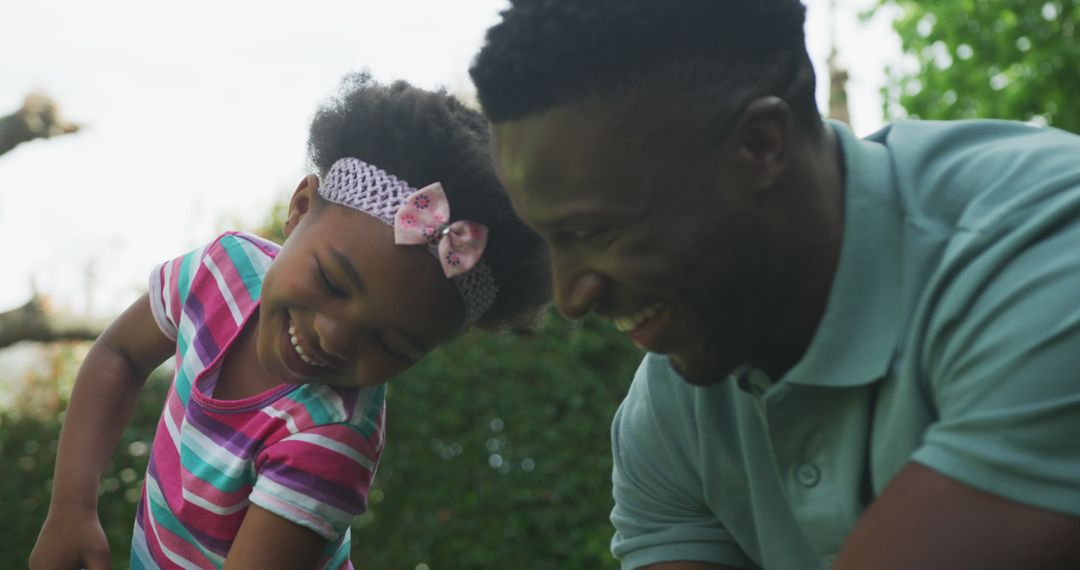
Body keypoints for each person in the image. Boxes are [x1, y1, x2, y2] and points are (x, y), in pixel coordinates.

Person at [470, 1, 1080, 569]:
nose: (571, 298)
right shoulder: (672, 409)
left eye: (595, 231)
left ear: (760, 145)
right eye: (549, 240)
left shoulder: (1047, 248)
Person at [29, 73, 549, 570]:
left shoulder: (331, 436)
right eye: (332, 282)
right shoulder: (221, 270)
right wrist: (71, 507)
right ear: (300, 208)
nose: (334, 335)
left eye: (390, 343)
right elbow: (119, 355)